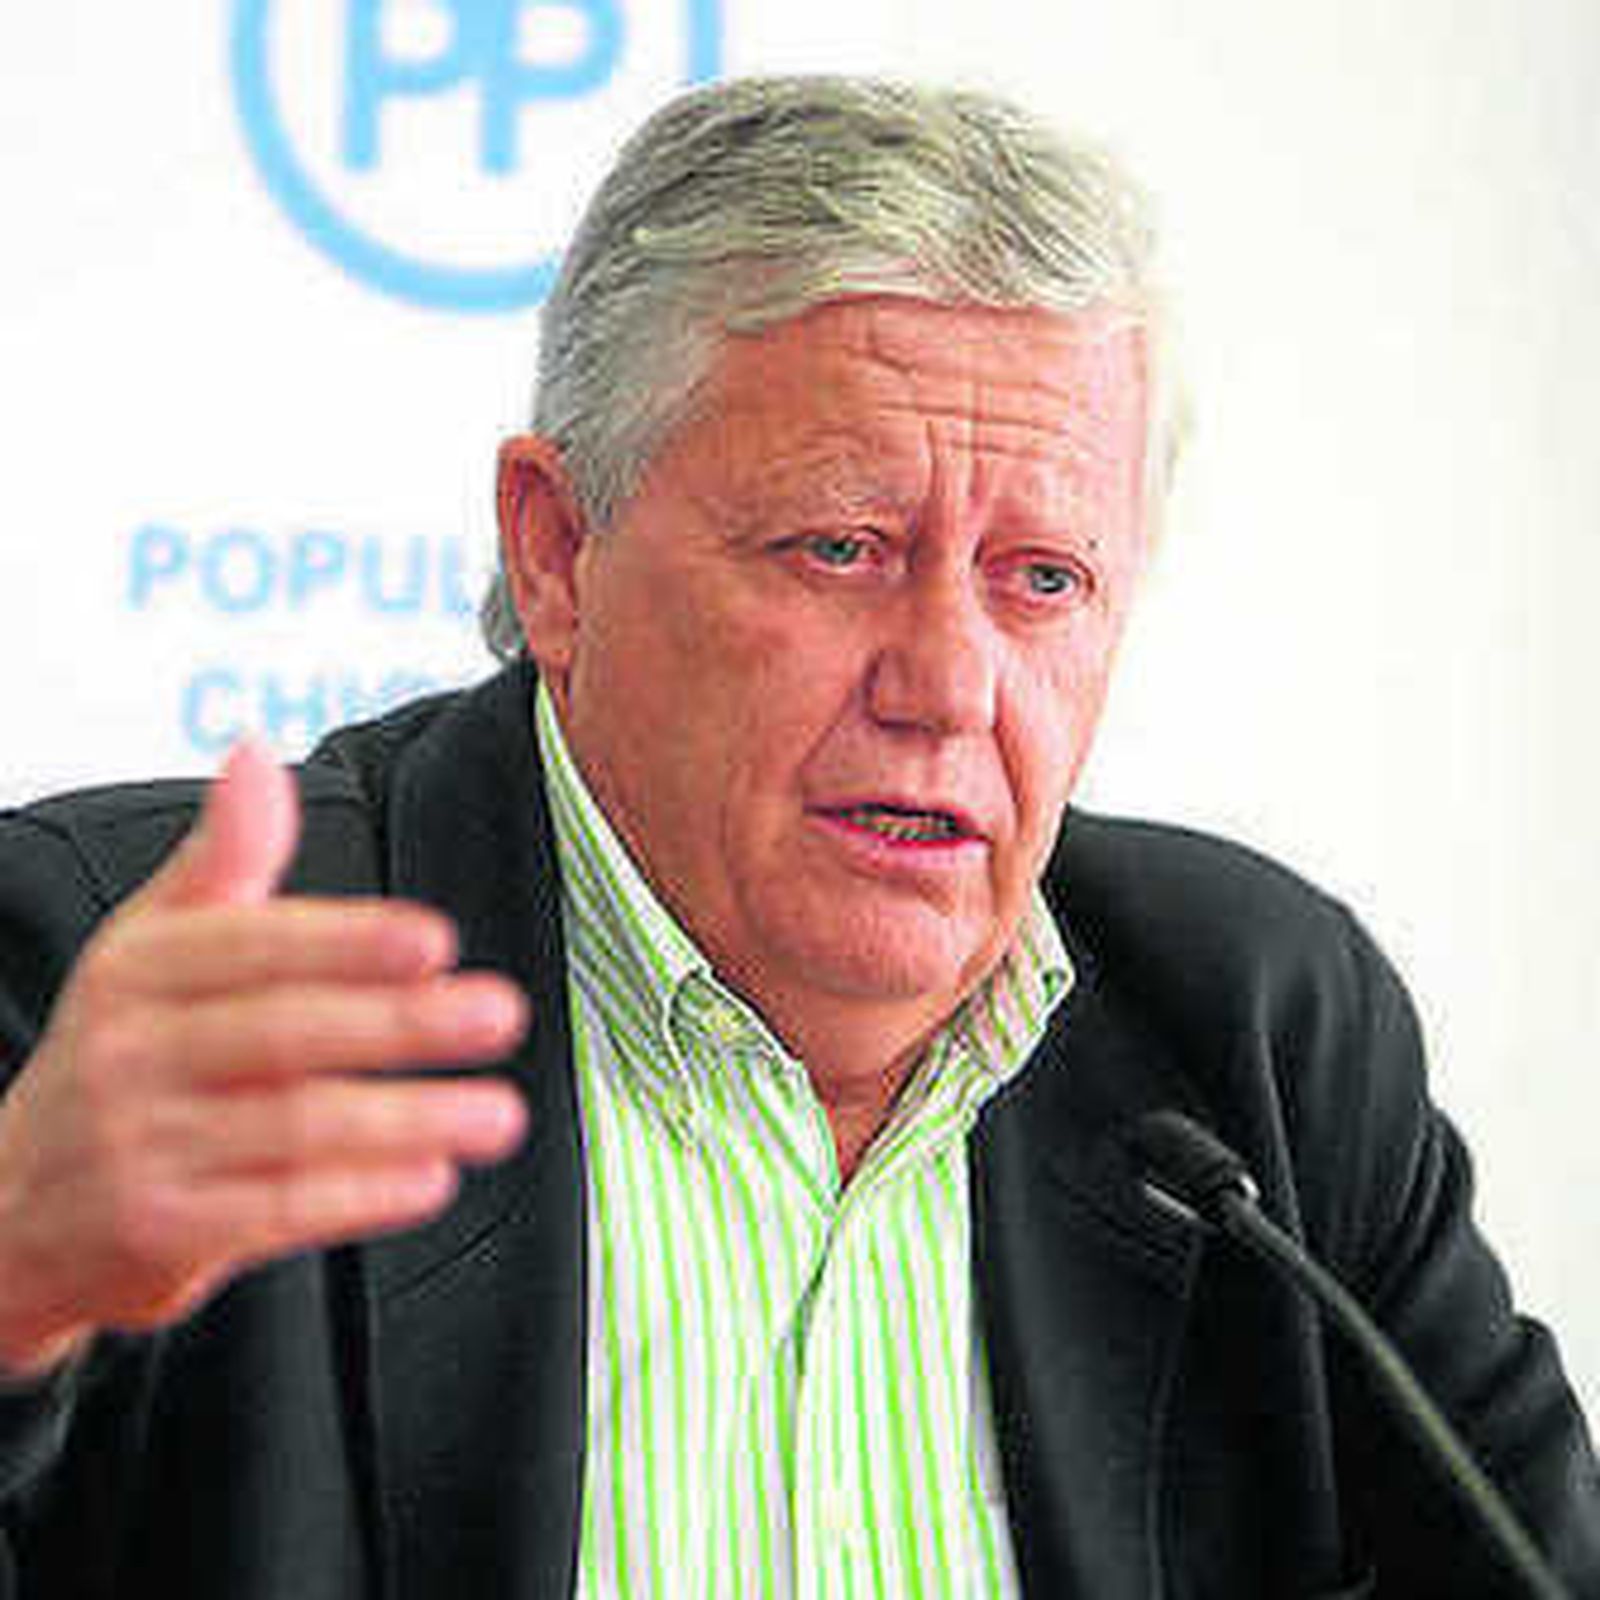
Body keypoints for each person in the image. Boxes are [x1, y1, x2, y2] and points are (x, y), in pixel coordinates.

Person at [0, 74, 1594, 1600]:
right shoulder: (118, 985)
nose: (948, 686)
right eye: (841, 547)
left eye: (1043, 578)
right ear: (556, 553)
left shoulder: (1253, 1036)